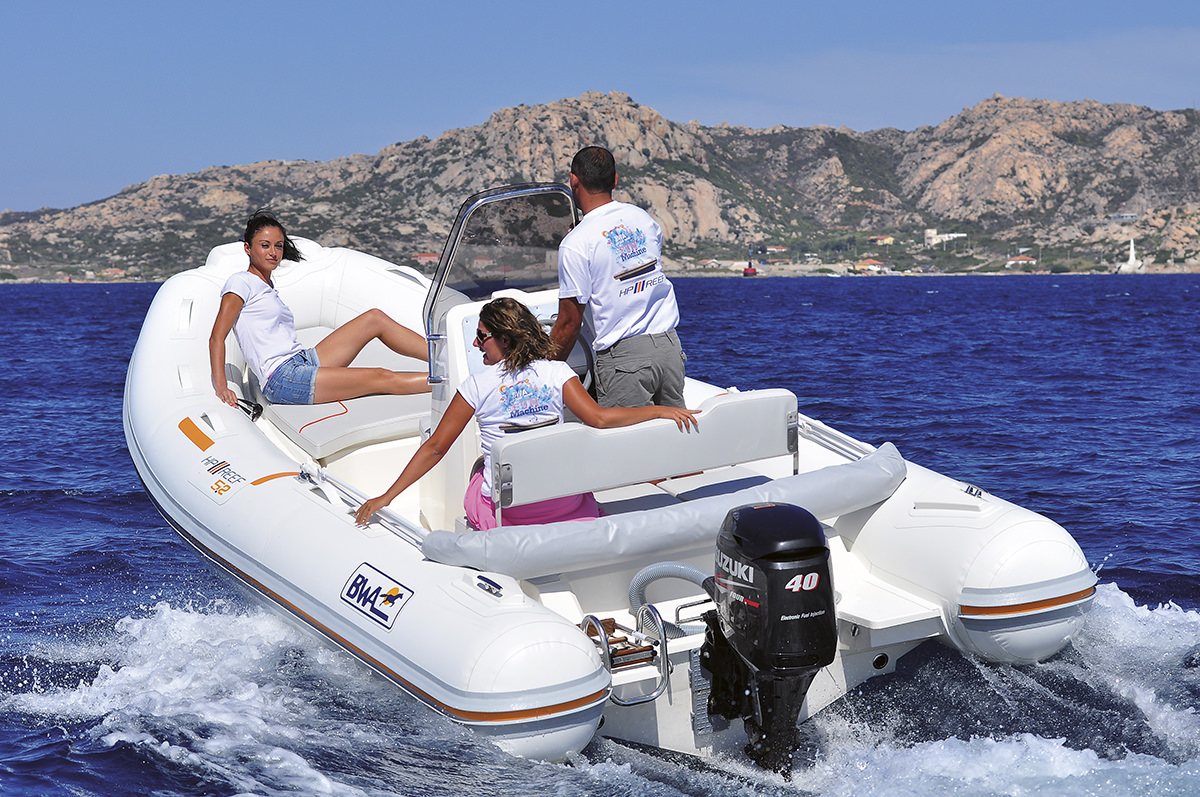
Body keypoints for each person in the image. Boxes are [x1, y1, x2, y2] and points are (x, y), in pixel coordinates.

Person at [355, 297, 699, 530]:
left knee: (481, 466)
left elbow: (435, 448)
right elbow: (600, 419)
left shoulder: (476, 385)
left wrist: (386, 497)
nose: (475, 344)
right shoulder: (557, 372)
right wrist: (660, 410)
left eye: (481, 336)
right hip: (564, 505)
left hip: (509, 514)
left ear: (504, 340)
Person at [209, 210, 431, 407]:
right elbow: (217, 337)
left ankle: (442, 358)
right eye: (265, 245)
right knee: (380, 377)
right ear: (248, 248)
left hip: (301, 360)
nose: (273, 252)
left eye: (278, 245)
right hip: (282, 379)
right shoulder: (240, 282)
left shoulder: (267, 285)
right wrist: (221, 386)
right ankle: (446, 380)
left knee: (375, 318)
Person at [549, 145, 686, 408]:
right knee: (673, 430)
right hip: (669, 348)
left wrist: (542, 371)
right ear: (615, 180)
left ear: (573, 180)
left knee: (626, 435)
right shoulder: (643, 219)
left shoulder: (575, 243)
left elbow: (569, 323)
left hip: (625, 361)